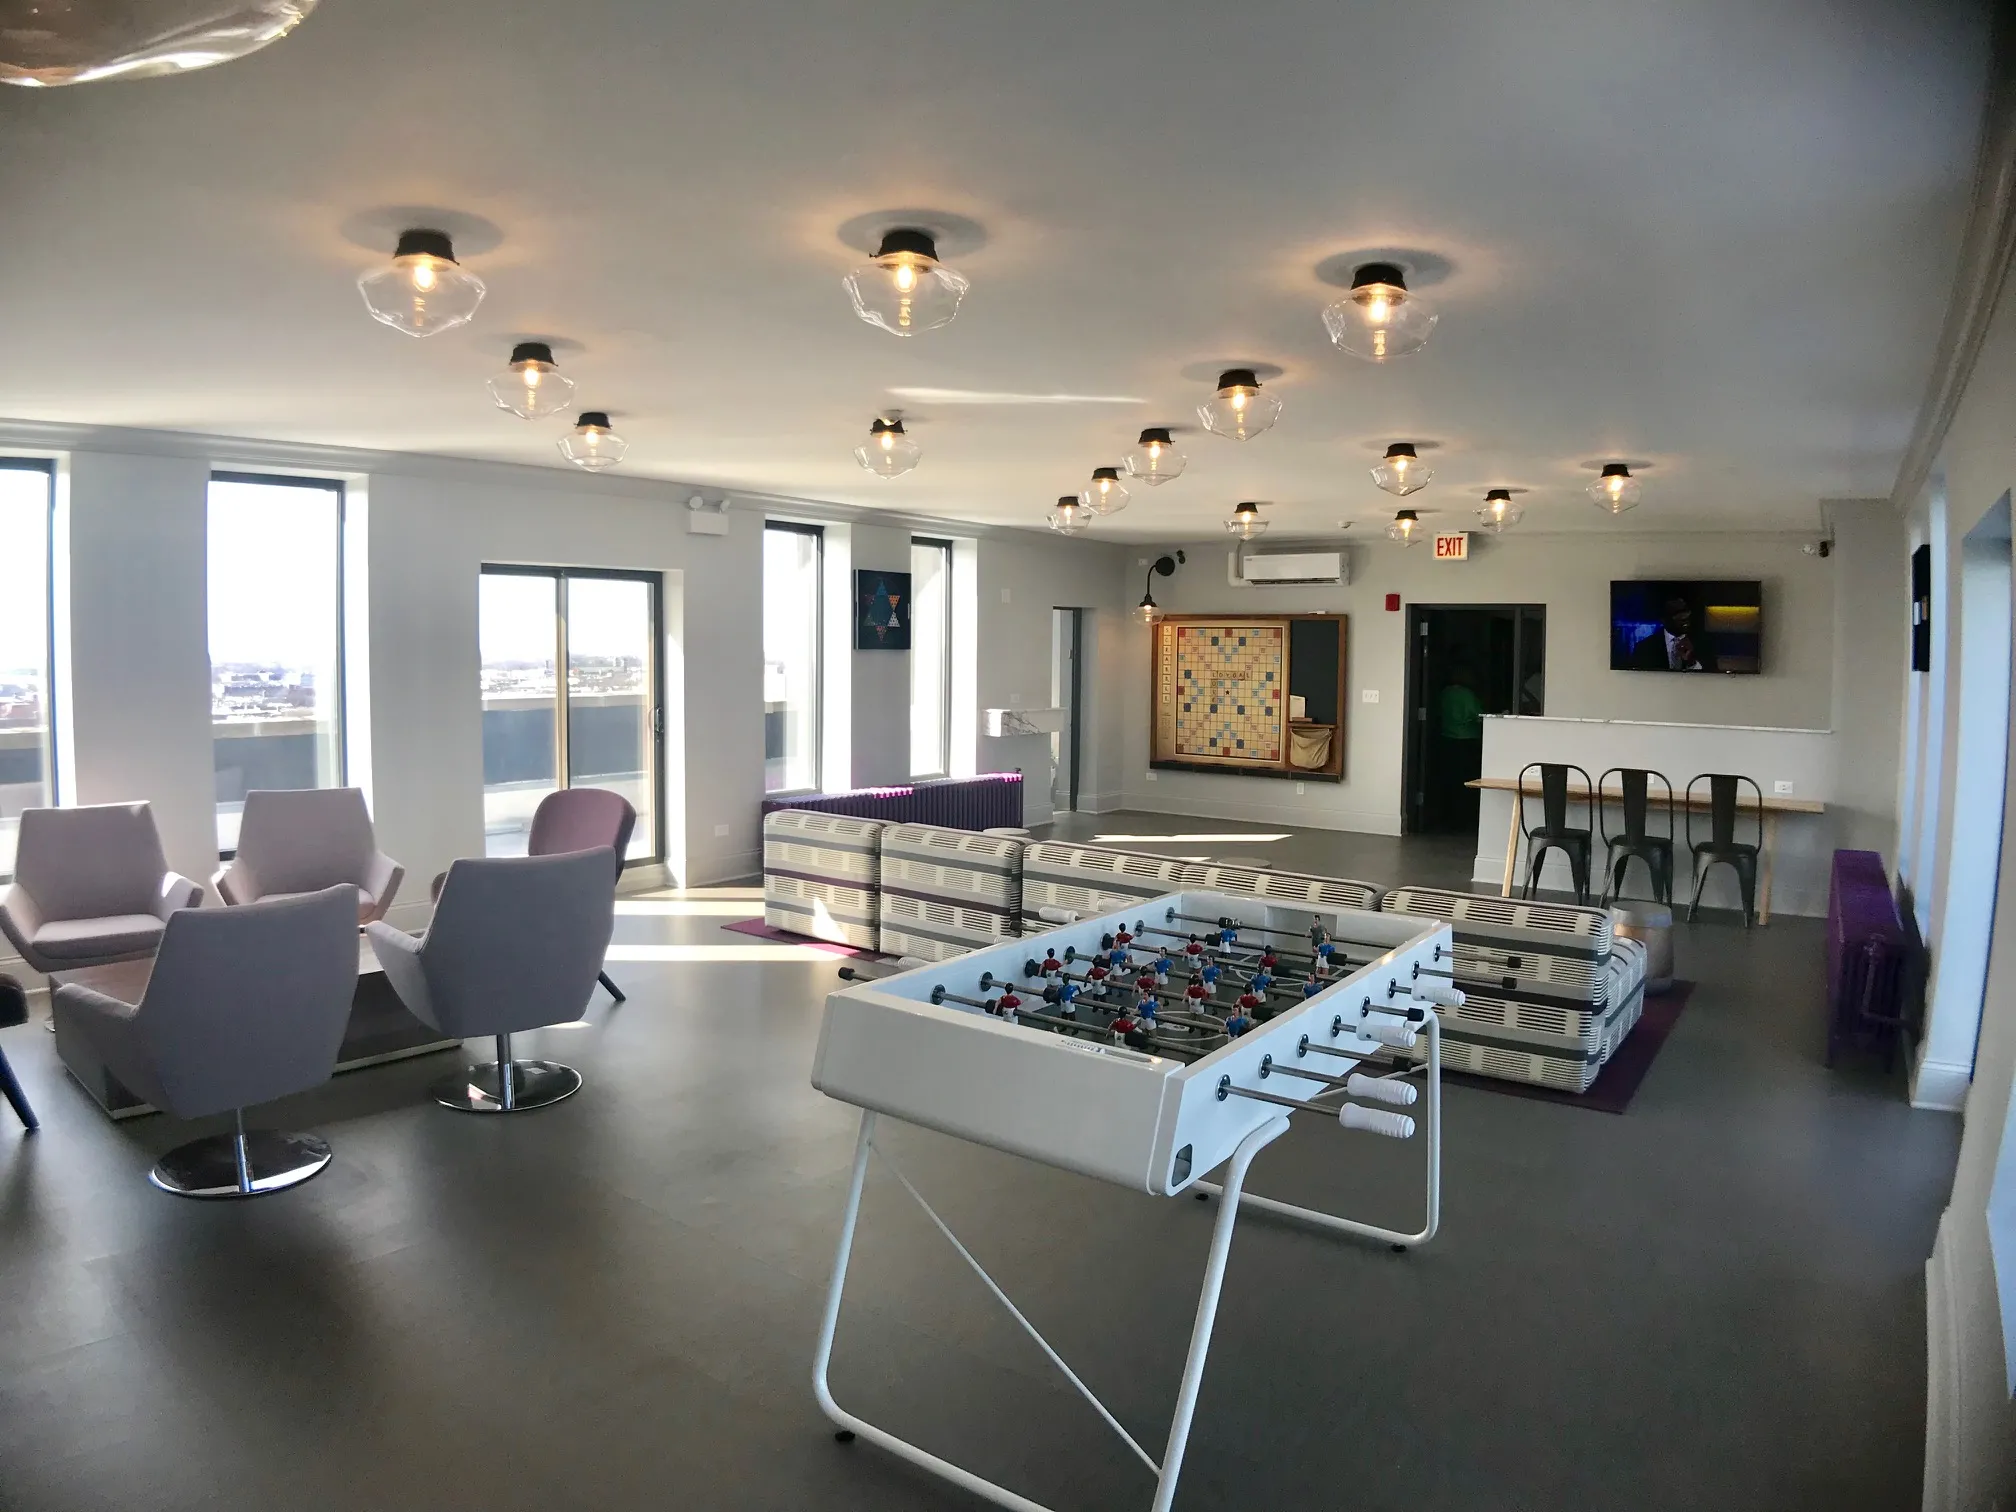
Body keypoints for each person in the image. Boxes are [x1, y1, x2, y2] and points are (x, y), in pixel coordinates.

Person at [1629, 593, 1719, 672]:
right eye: (1678, 615)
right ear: (1664, 620)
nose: (1685, 618)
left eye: (1686, 612)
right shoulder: (1644, 648)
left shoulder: (1704, 643)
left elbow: (1712, 679)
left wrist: (1691, 662)